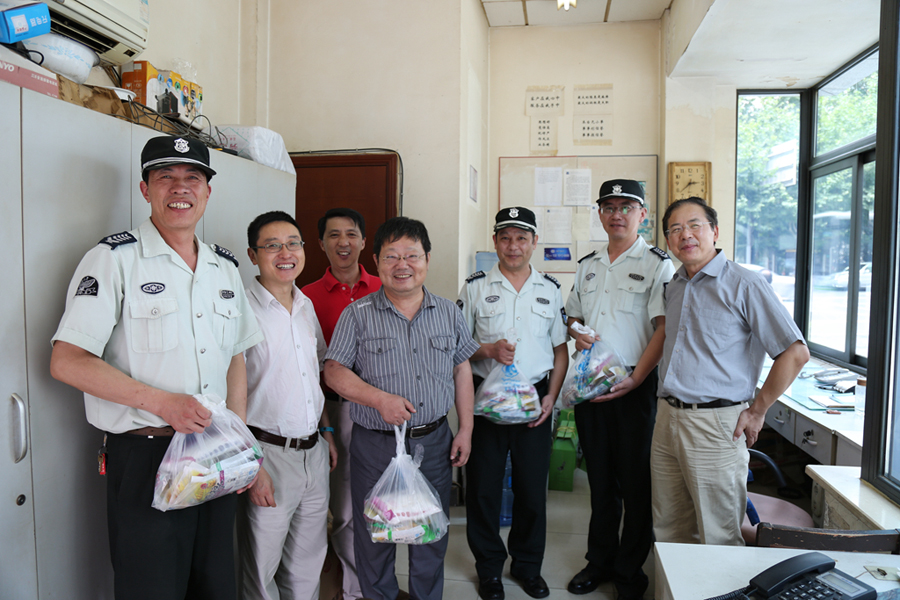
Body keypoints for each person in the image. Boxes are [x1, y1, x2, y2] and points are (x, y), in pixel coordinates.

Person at [49, 135, 263, 600]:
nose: (180, 187)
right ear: (145, 189)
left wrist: (240, 440)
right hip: (147, 455)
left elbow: (235, 357)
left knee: (215, 585)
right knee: (152, 588)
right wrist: (164, 404)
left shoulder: (223, 267)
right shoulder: (114, 259)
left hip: (216, 454)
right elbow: (67, 361)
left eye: (193, 178)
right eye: (165, 176)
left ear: (208, 192)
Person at [323, 216, 480, 600]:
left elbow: (462, 369)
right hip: (375, 445)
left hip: (434, 442)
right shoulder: (357, 314)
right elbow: (334, 371)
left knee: (430, 535)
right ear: (376, 261)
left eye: (412, 255)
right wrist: (379, 399)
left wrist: (465, 429)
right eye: (391, 256)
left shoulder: (449, 312)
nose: (402, 265)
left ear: (427, 259)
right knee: (375, 535)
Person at [653, 196, 809, 546]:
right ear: (668, 240)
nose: (685, 235)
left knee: (718, 534)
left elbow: (795, 353)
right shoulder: (674, 286)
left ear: (715, 231)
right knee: (668, 529)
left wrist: (758, 411)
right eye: (675, 229)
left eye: (694, 225)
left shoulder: (745, 283)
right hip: (666, 418)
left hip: (716, 425)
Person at [563, 180, 675, 600]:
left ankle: (630, 573)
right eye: (609, 207)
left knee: (635, 483)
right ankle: (599, 561)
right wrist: (577, 332)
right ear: (600, 214)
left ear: (642, 215)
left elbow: (663, 329)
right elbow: (572, 316)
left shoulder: (658, 264)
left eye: (626, 207)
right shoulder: (589, 264)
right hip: (592, 382)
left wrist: (637, 379)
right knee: (599, 479)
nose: (617, 215)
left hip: (635, 384)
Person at [458, 207, 568, 600]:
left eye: (522, 238)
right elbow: (458, 347)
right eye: (505, 237)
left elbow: (560, 350)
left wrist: (552, 396)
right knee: (483, 491)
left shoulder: (550, 288)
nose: (513, 246)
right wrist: (488, 349)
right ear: (495, 242)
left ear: (534, 242)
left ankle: (527, 566)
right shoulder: (474, 287)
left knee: (531, 491)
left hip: (534, 401)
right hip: (486, 403)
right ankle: (489, 569)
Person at [237, 211, 339, 600]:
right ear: (253, 254)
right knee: (261, 568)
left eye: (293, 243)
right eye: (272, 245)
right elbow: (230, 396)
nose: (286, 253)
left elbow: (313, 377)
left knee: (307, 564)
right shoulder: (240, 309)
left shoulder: (306, 304)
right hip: (267, 454)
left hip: (313, 452)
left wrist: (326, 431)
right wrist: (252, 466)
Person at [301, 207, 381, 600]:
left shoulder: (386, 286)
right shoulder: (306, 297)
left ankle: (378, 579)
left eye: (351, 234)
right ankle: (355, 589)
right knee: (345, 507)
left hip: (383, 410)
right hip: (336, 409)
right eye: (333, 235)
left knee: (383, 501)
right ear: (320, 244)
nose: (343, 242)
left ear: (364, 241)